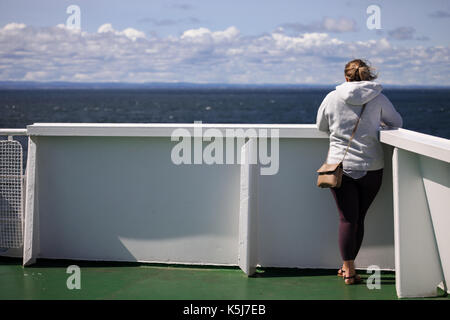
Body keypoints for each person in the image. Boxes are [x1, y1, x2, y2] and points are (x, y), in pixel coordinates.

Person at [316, 59, 403, 285]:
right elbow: (396, 121)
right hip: (371, 167)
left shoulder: (332, 97)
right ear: (368, 77)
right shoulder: (378, 97)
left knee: (346, 219)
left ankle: (348, 268)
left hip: (340, 168)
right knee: (358, 219)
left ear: (346, 77)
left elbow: (321, 126)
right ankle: (349, 267)